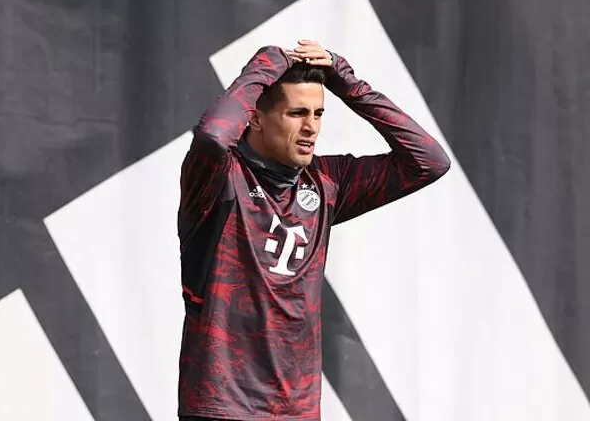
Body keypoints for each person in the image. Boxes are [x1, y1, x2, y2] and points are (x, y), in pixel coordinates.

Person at [176, 40, 451, 420]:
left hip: (297, 410)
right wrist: (270, 60)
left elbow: (429, 161)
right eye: (297, 113)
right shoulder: (220, 177)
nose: (311, 128)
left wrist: (346, 82)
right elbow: (213, 135)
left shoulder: (327, 181)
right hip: (222, 407)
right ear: (255, 118)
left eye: (318, 113)